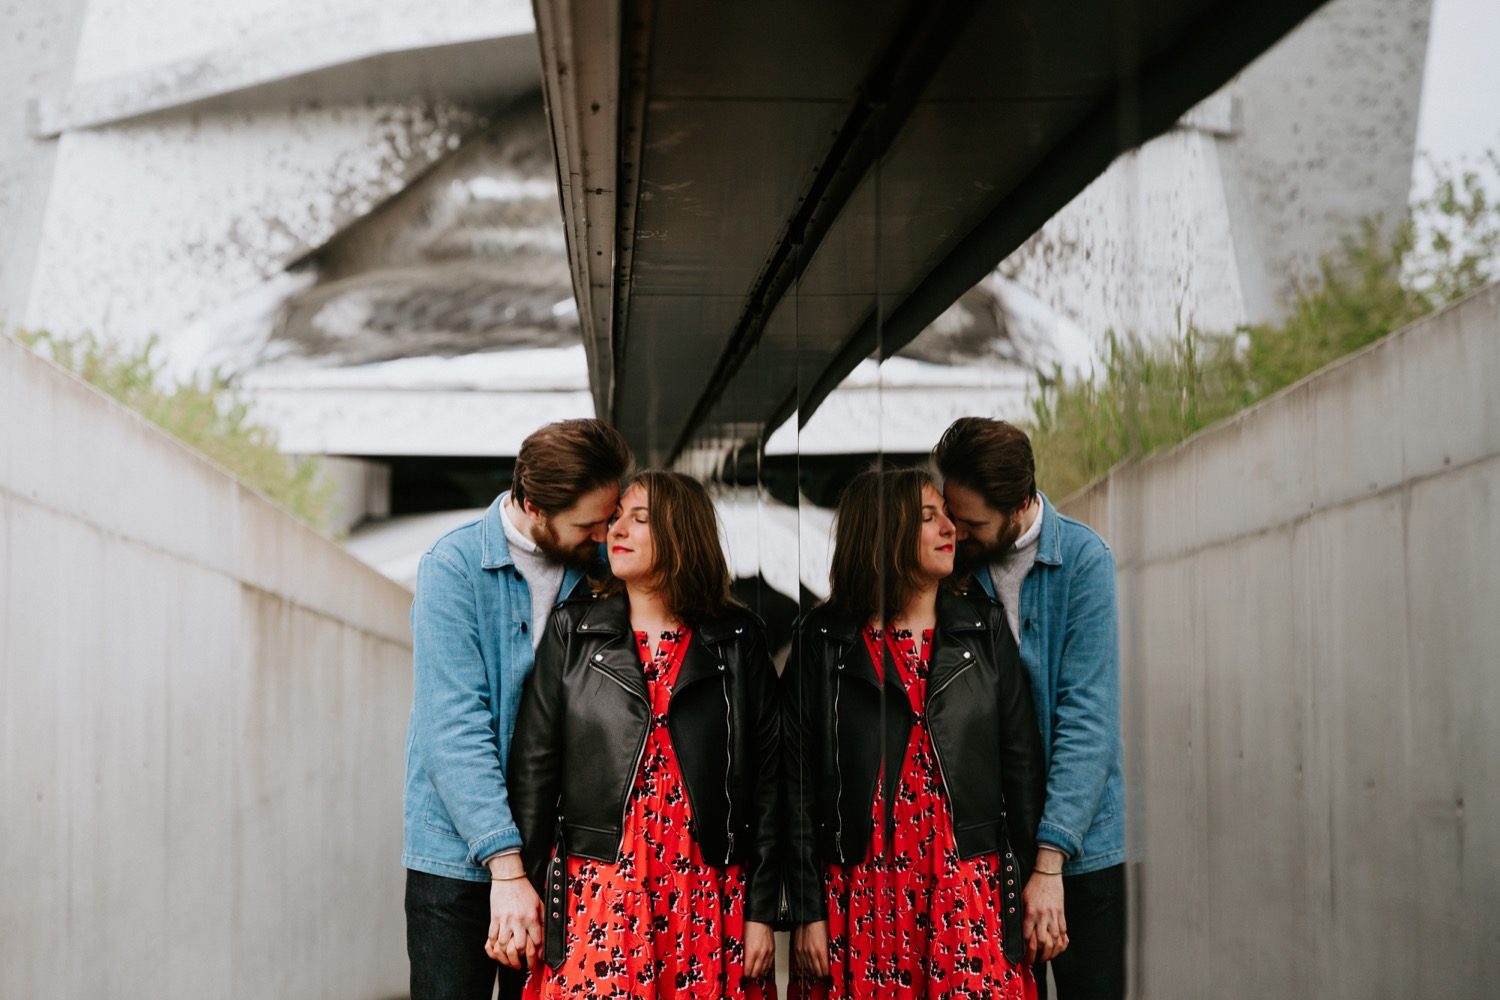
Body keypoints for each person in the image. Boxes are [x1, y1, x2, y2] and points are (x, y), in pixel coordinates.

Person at [507, 470, 781, 998]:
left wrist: (763, 912)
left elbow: (770, 783)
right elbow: (535, 771)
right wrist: (528, 890)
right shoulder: (574, 631)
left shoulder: (739, 640)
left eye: (640, 518)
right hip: (600, 888)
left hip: (707, 892)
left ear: (683, 534)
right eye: (615, 518)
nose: (617, 529)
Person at [783, 467, 1047, 1000]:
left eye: (947, 516)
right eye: (930, 517)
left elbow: (1020, 763)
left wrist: (1038, 880)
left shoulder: (984, 626)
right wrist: (807, 909)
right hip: (859, 893)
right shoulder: (824, 640)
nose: (950, 527)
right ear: (885, 532)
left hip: (966, 885)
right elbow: (794, 781)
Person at [403, 418, 632, 1000]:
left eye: (611, 517)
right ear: (533, 506)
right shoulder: (452, 568)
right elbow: (451, 729)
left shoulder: (606, 575)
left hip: (564, 857)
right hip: (458, 861)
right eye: (590, 524)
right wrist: (505, 867)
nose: (605, 536)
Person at [933, 417, 1125, 1000]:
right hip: (991, 851)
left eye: (972, 523)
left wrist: (1050, 864)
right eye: (950, 516)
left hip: (1083, 851)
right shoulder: (956, 570)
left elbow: (1087, 719)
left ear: (1019, 506)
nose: (956, 533)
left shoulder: (1085, 562)